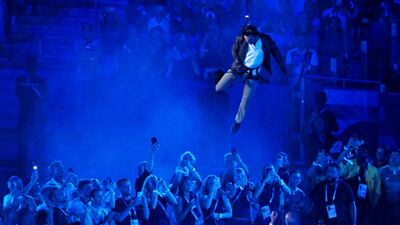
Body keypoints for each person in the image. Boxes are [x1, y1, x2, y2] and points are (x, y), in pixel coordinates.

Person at [215, 24, 287, 133]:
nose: (247, 39)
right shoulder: (240, 40)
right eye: (245, 36)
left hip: (253, 75)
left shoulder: (264, 41)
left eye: (249, 37)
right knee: (218, 88)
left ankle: (237, 122)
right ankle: (228, 82)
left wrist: (282, 68)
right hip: (238, 69)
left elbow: (276, 53)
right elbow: (235, 52)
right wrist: (240, 67)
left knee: (245, 100)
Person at [15, 56, 47, 175]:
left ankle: (37, 170)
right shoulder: (21, 80)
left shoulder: (40, 81)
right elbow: (20, 96)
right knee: (24, 144)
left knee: (37, 145)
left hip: (35, 118)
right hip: (26, 118)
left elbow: (44, 98)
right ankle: (21, 170)